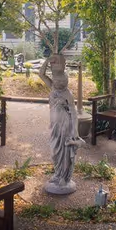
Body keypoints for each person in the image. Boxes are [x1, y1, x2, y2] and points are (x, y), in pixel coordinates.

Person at [39, 54, 85, 193]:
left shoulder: (67, 94)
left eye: (62, 83)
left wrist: (75, 131)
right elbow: (41, 74)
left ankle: (64, 178)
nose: (59, 85)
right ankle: (58, 174)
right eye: (57, 82)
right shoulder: (53, 87)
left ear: (66, 82)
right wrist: (47, 60)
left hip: (65, 126)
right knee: (54, 151)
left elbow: (74, 113)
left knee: (64, 151)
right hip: (54, 125)